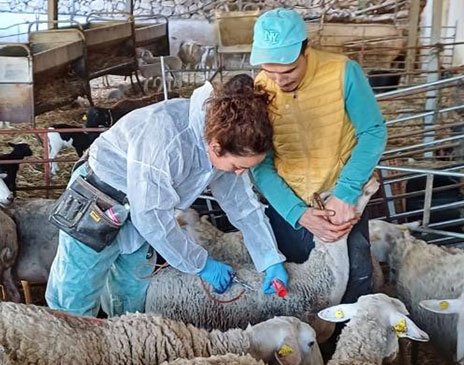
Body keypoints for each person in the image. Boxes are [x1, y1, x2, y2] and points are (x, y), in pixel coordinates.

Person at [46, 75, 288, 317]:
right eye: (238, 166)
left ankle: (123, 345)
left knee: (132, 292)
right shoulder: (166, 137)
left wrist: (269, 259)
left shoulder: (224, 141)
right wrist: (201, 264)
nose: (239, 174)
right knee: (75, 294)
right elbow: (151, 217)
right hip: (99, 198)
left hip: (146, 210)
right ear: (216, 147)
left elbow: (243, 205)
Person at [248, 8, 387, 306]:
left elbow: (373, 132)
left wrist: (346, 194)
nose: (278, 81)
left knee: (356, 279)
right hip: (289, 205)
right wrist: (297, 213)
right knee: (296, 291)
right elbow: (261, 164)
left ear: (306, 50)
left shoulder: (343, 72)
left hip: (340, 203)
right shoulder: (260, 88)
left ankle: (348, 348)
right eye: (269, 70)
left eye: (287, 71)